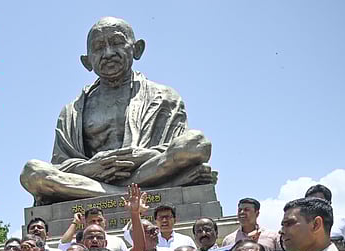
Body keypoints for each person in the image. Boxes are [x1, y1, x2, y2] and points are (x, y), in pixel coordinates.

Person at [19, 17, 215, 204]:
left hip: (146, 170)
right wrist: (90, 168)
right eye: (98, 47)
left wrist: (139, 156)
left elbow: (174, 151)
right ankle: (132, 193)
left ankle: (112, 193)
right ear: (87, 61)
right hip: (94, 178)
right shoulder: (72, 112)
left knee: (197, 142)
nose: (108, 53)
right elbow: (61, 166)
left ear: (137, 49)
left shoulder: (164, 96)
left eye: (117, 42)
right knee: (32, 172)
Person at [58, 209, 128, 251]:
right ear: (85, 223)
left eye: (100, 220)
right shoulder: (80, 242)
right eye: (93, 221)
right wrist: (75, 222)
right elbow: (63, 245)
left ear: (105, 221)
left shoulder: (117, 241)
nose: (97, 223)